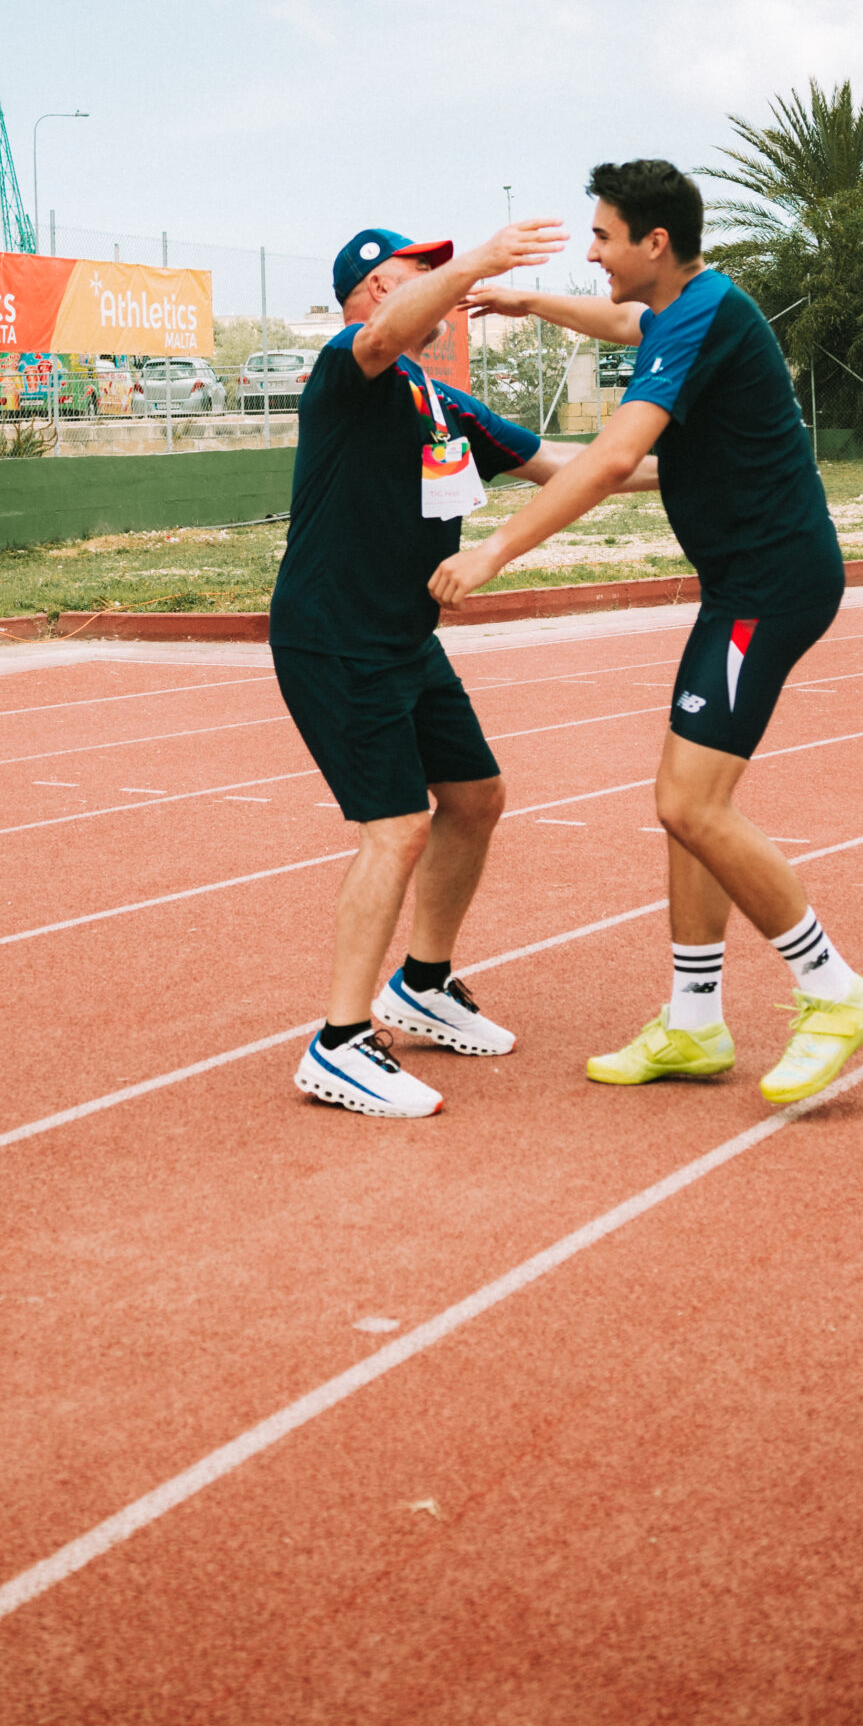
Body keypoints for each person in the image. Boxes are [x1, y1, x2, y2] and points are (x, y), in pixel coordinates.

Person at [429, 159, 863, 1108]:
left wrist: (494, 551)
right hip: (743, 585)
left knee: (688, 805)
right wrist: (528, 301)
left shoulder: (702, 317)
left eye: (602, 238)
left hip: (769, 587)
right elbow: (624, 324)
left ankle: (833, 989)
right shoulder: (691, 306)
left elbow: (612, 458)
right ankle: (693, 1022)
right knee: (690, 808)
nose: (594, 255)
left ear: (655, 242)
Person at [271, 212, 656, 1120]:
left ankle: (422, 984)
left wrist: (713, 463)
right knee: (396, 827)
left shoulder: (439, 401)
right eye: (422, 272)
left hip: (404, 638)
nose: (448, 284)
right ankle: (338, 1044)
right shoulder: (348, 368)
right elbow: (382, 336)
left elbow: (571, 465)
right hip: (335, 635)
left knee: (476, 798)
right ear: (376, 288)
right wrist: (480, 260)